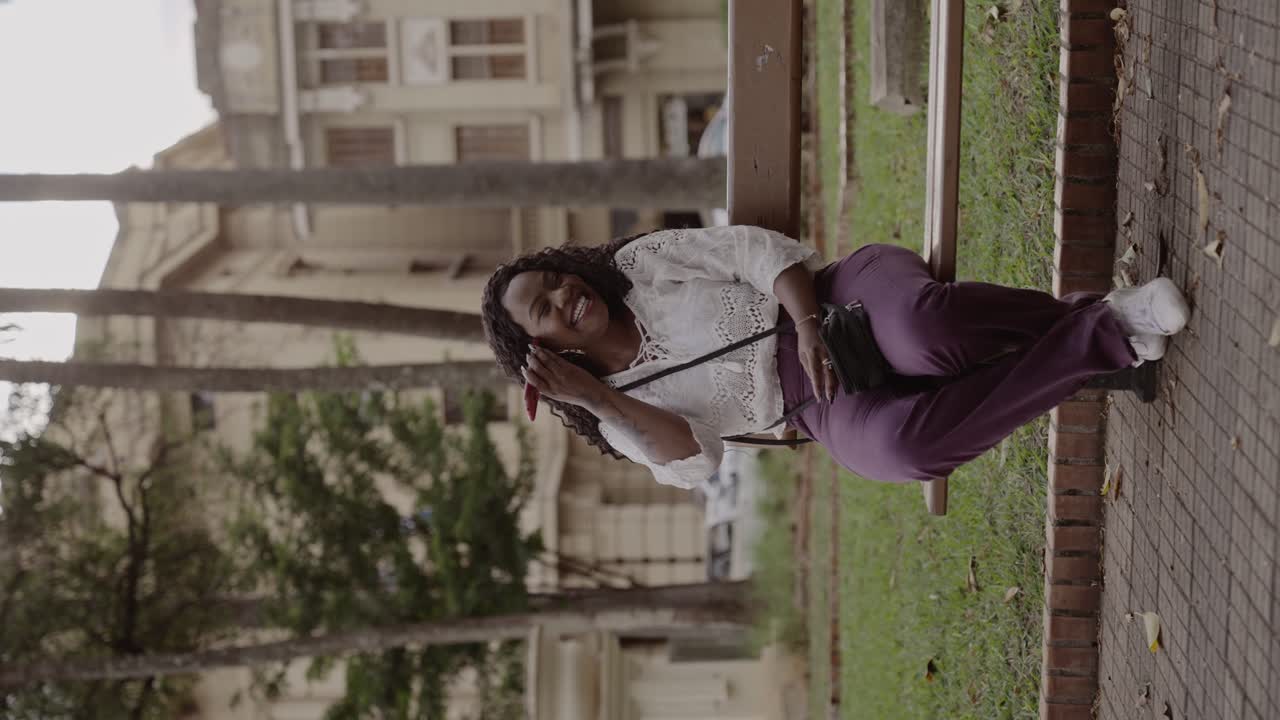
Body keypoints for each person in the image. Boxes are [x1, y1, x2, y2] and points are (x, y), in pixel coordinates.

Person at [480, 226, 1188, 490]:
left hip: (838, 299)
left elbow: (758, 252)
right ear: (545, 347)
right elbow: (698, 459)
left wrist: (810, 323)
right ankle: (1108, 329)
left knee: (922, 328)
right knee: (903, 450)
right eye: (545, 308)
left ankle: (1105, 333)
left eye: (554, 279)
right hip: (815, 407)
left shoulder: (642, 264)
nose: (565, 294)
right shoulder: (616, 419)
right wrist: (600, 399)